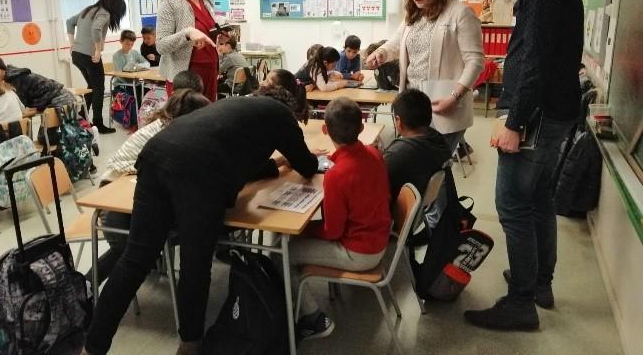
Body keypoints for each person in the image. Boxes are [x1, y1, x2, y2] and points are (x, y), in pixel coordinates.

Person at [83, 81, 320, 355]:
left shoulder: (233, 105)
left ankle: (92, 347)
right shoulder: (280, 115)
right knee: (196, 263)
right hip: (199, 171)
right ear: (290, 109)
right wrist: (299, 158)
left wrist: (274, 165)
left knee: (134, 260)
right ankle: (190, 346)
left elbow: (240, 160)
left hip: (156, 154)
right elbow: (307, 164)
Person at [464, 0, 583, 331]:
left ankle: (520, 303)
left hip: (536, 117)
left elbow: (533, 60)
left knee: (512, 205)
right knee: (537, 202)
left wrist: (514, 122)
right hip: (553, 114)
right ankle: (538, 283)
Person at [288, 97, 391, 340]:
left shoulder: (336, 176)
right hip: (379, 238)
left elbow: (333, 232)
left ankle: (313, 318)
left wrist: (303, 231)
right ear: (362, 127)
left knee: (282, 253)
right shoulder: (374, 153)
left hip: (360, 253)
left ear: (325, 130)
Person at [88, 90, 211, 285]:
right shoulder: (168, 133)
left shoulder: (168, 125)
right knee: (127, 250)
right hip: (114, 194)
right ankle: (87, 286)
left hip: (130, 188)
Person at [365, 0, 484, 152]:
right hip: (415, 104)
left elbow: (476, 62)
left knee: (434, 163)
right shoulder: (413, 16)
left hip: (445, 102)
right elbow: (395, 44)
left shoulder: (460, 13)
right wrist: (381, 53)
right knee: (426, 166)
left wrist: (454, 97)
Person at [156, 0, 222, 101]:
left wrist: (220, 34)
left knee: (208, 119)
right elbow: (161, 46)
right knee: (189, 121)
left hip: (210, 69)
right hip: (186, 76)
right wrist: (186, 33)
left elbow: (206, 30)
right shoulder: (170, 1)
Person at [67, 0, 127, 134]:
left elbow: (70, 22)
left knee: (92, 87)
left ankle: (82, 117)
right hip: (89, 56)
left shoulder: (89, 10)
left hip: (77, 55)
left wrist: (72, 44)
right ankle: (98, 124)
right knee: (99, 89)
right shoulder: (104, 13)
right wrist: (98, 50)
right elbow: (96, 29)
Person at [383, 89, 450, 207]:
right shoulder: (438, 140)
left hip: (391, 212)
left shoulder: (397, 154)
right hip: (416, 209)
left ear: (399, 121)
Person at [0, 53, 75, 114]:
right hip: (55, 101)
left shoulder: (15, 79)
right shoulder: (10, 77)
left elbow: (18, 111)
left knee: (49, 138)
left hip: (61, 100)